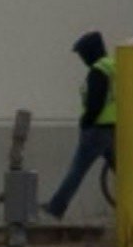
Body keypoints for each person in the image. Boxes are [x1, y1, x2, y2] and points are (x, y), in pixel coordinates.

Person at [38, 29, 119, 217]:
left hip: (95, 129)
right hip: (113, 128)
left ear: (90, 52)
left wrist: (86, 122)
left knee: (77, 169)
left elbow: (95, 102)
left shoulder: (98, 71)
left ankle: (56, 207)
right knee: (124, 170)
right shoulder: (114, 67)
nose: (82, 59)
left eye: (82, 54)